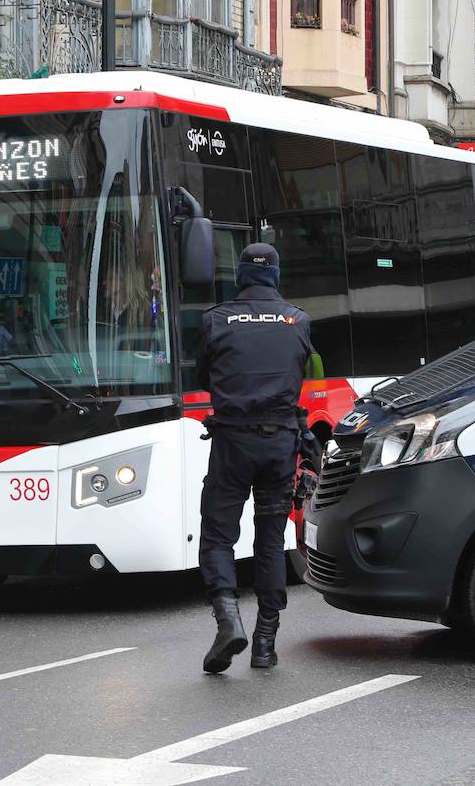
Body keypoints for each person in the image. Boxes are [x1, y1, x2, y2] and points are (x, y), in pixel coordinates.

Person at [195, 243, 319, 674]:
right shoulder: (298, 320)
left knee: (218, 538)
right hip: (280, 446)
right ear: (276, 275)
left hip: (233, 446)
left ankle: (228, 621)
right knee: (269, 541)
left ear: (241, 275)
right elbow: (300, 372)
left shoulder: (215, 320)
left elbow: (202, 375)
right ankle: (265, 643)